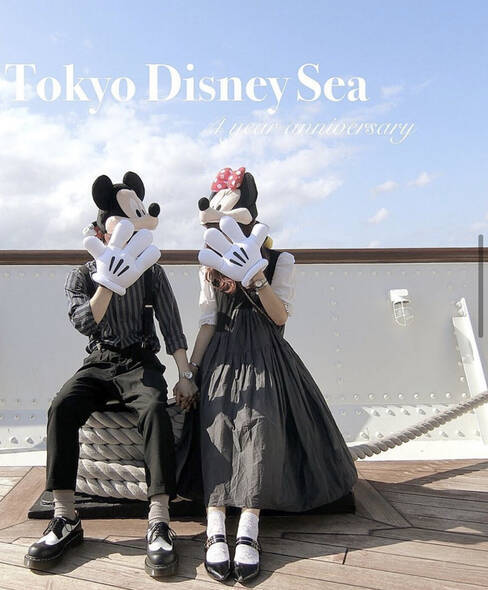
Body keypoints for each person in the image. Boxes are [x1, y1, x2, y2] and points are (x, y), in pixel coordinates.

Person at [185, 167, 358, 583]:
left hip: (266, 353)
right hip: (223, 353)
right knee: (217, 425)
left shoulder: (281, 261)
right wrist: (190, 370)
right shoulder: (209, 263)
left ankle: (249, 526)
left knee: (260, 424)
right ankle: (214, 526)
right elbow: (208, 321)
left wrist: (256, 277)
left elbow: (280, 317)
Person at [24, 172, 198, 578]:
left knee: (154, 409)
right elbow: (85, 322)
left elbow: (172, 326)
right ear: (101, 233)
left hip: (139, 361)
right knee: (62, 406)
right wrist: (108, 280)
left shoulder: (151, 272)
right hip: (100, 360)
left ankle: (159, 520)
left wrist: (184, 373)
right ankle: (65, 517)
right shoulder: (82, 275)